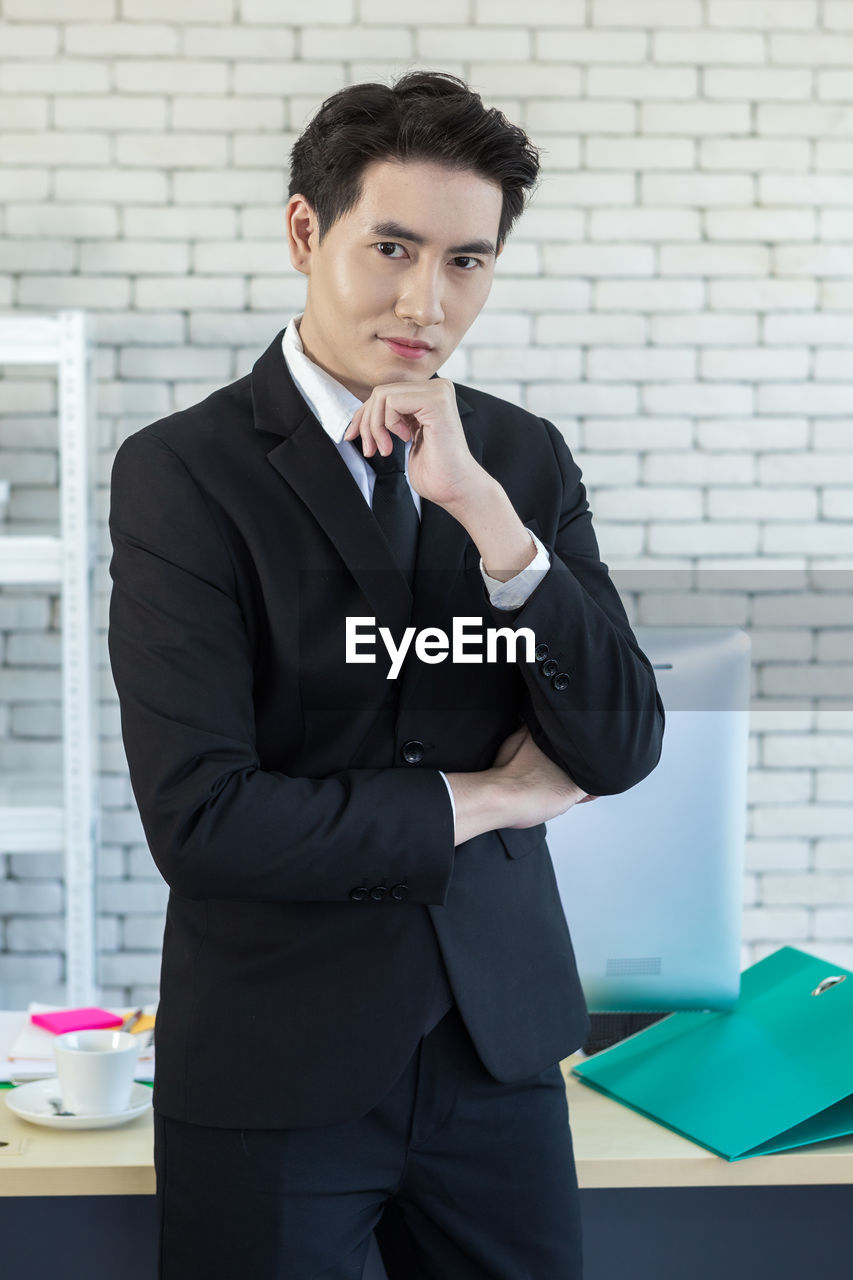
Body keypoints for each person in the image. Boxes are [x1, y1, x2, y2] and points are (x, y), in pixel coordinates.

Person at [107, 70, 664, 1280]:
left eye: (467, 260)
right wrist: (495, 798)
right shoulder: (182, 474)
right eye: (394, 247)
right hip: (275, 1065)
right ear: (306, 230)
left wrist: (490, 521)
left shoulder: (517, 456)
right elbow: (206, 818)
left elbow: (619, 743)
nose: (428, 298)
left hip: (495, 1057)